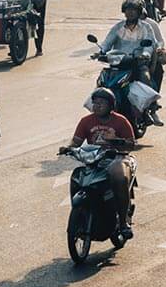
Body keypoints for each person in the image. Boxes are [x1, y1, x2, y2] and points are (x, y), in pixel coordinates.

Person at [58, 87, 136, 240]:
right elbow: (76, 141)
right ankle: (81, 215)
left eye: (102, 103)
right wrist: (68, 148)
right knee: (77, 177)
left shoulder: (121, 121)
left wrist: (115, 141)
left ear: (110, 105)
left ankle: (123, 223)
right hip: (95, 158)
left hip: (118, 158)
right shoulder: (86, 121)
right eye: (95, 103)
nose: (97, 106)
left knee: (118, 177)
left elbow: (131, 145)